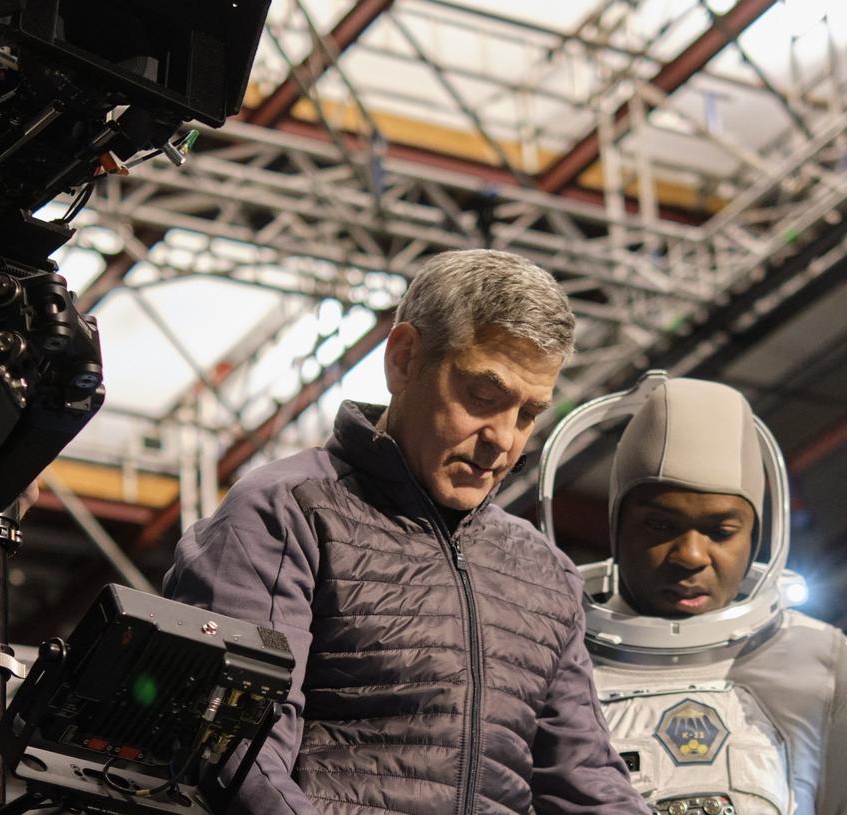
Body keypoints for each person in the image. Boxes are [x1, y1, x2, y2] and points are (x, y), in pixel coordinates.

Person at [161, 248, 646, 815]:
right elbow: (237, 751)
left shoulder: (545, 572)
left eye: (528, 414)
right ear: (404, 359)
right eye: (484, 398)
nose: (504, 439)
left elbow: (587, 782)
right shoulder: (284, 514)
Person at [544, 375, 847, 815]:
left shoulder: (835, 672)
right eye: (660, 527)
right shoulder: (552, 671)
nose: (690, 556)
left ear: (757, 535)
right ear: (614, 525)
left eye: (720, 532)